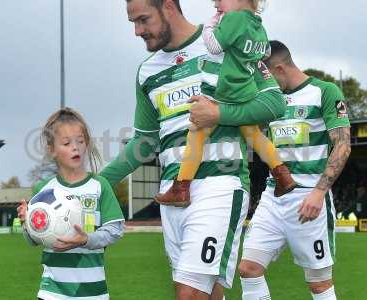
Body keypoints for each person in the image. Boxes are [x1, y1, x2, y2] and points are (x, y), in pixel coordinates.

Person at [101, 1, 282, 299]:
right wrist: (97, 183)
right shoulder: (147, 72)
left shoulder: (225, 39)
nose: (137, 31)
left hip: (220, 186)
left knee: (189, 294)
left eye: (143, 20)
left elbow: (273, 104)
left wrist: (219, 115)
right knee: (208, 293)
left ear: (168, 7)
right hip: (173, 197)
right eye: (133, 23)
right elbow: (144, 141)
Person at [238, 40, 351, 300]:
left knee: (319, 284)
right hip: (273, 196)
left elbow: (343, 146)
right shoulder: (270, 101)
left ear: (278, 69)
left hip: (310, 199)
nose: (262, 86)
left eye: (264, 78)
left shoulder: (324, 91)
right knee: (248, 269)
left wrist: (318, 192)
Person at [155, 0, 295, 207]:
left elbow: (213, 46)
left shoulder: (233, 19)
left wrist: (211, 25)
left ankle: (181, 187)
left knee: (196, 134)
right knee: (253, 134)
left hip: (223, 91)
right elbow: (264, 54)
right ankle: (282, 174)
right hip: (245, 91)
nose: (216, 4)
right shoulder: (258, 26)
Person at [17, 108, 125, 300]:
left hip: (93, 294)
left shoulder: (99, 186)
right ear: (52, 150)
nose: (75, 147)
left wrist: (86, 239)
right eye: (67, 143)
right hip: (51, 293)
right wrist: (28, 222)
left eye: (80, 141)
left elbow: (115, 231)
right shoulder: (43, 190)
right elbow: (33, 240)